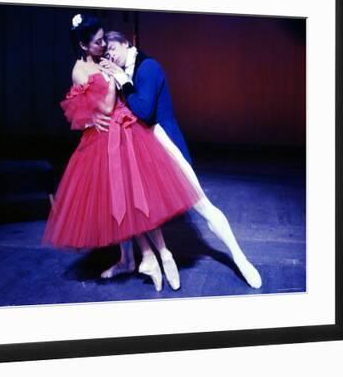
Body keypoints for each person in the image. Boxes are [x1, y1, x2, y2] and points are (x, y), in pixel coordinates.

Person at [42, 14, 203, 291]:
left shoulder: (104, 59)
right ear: (83, 45)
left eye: (104, 38)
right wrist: (111, 77)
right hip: (103, 139)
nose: (104, 44)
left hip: (127, 130)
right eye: (97, 42)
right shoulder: (80, 70)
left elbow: (124, 93)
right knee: (121, 201)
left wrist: (116, 75)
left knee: (139, 197)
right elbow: (102, 108)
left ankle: (159, 256)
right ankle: (143, 257)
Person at [98, 30, 262, 289]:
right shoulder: (122, 71)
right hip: (146, 150)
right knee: (131, 203)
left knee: (202, 205)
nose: (110, 56)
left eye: (113, 50)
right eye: (106, 53)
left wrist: (121, 80)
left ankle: (239, 257)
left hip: (167, 146)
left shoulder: (148, 66)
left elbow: (144, 110)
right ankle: (135, 259)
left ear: (126, 43)